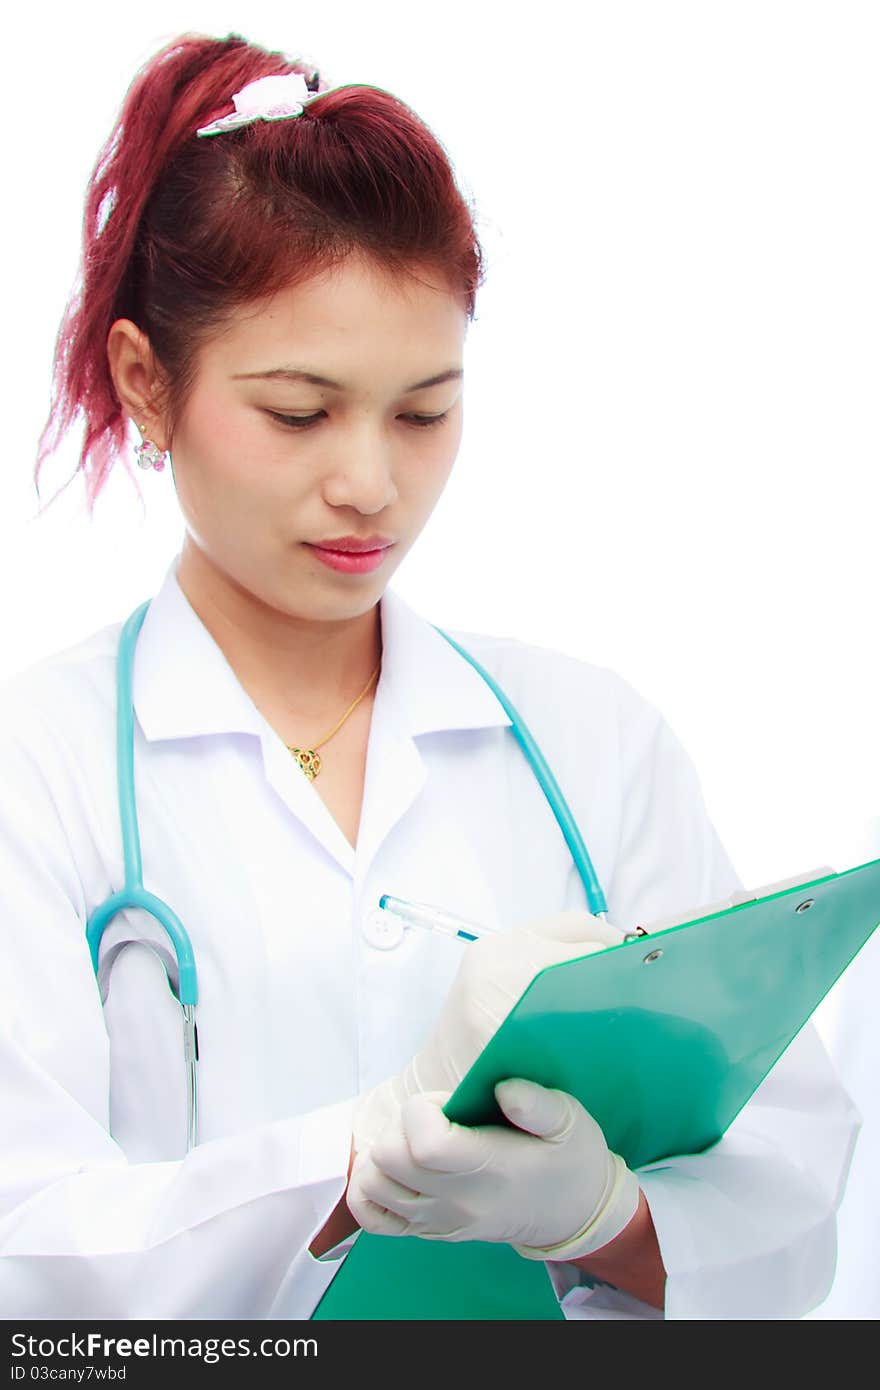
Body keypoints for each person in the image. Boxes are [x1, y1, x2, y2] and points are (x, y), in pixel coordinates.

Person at [0, 31, 859, 1321]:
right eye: (300, 411)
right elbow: (27, 1251)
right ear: (145, 381)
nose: (371, 482)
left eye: (423, 410)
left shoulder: (591, 741)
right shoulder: (38, 764)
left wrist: (603, 1217)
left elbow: (793, 1208)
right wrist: (362, 1161)